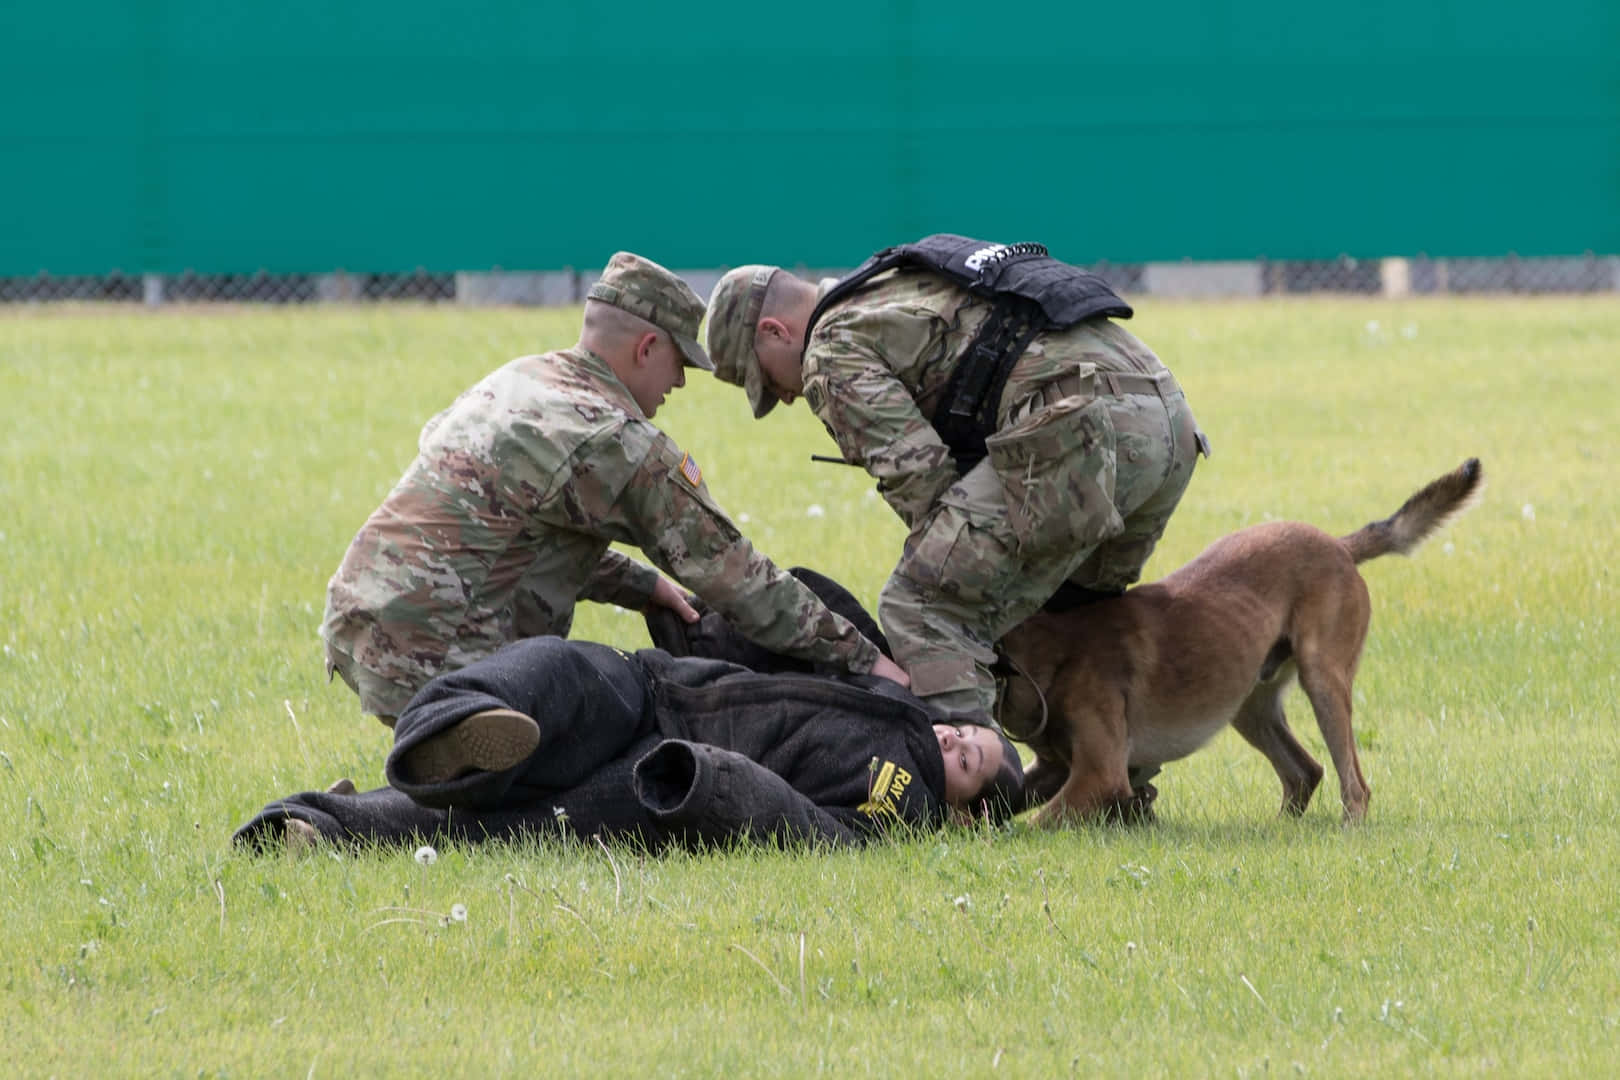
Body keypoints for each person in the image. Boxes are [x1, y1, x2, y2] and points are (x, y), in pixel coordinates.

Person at [320, 251, 907, 727]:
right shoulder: (620, 441)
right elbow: (742, 582)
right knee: (608, 747)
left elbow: (508, 528)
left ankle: (428, 768)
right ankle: (410, 790)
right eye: (678, 361)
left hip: (358, 622)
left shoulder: (519, 381)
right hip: (441, 663)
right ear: (646, 348)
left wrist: (643, 585)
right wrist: (868, 660)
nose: (678, 381)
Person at [704, 235, 1209, 722]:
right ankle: (1111, 785)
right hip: (1169, 423)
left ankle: (977, 789)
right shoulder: (894, 280)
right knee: (1075, 613)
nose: (785, 397)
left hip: (1082, 433)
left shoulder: (829, 350)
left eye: (766, 379)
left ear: (775, 331)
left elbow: (924, 483)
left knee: (920, 604)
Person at [233, 635, 1024, 852]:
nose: (951, 738)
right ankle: (441, 734)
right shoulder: (896, 702)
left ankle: (316, 827)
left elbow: (813, 831)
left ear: (965, 814)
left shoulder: (903, 800)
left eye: (967, 759)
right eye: (963, 730)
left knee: (504, 829)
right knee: (549, 671)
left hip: (658, 777)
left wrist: (711, 781)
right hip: (652, 686)